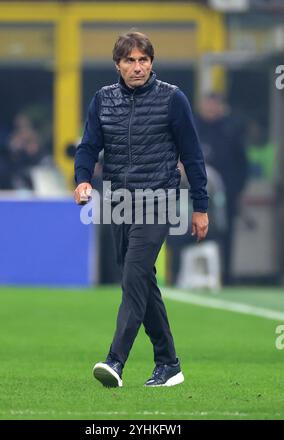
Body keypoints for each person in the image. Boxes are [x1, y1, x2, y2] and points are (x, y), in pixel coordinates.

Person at [74, 32, 209, 388]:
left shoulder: (172, 99)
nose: (138, 67)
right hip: (119, 203)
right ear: (117, 65)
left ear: (152, 62)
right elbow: (88, 146)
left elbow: (192, 156)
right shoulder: (102, 100)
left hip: (159, 201)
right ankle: (169, 363)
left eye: (144, 60)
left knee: (134, 276)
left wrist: (200, 207)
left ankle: (115, 360)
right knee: (142, 282)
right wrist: (83, 179)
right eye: (130, 61)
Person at [195, 93, 248, 285]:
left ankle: (225, 275)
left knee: (224, 233)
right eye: (208, 104)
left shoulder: (230, 130)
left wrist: (238, 191)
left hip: (227, 194)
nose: (211, 108)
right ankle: (194, 274)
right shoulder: (193, 128)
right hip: (196, 193)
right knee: (194, 230)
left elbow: (242, 164)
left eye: (214, 104)